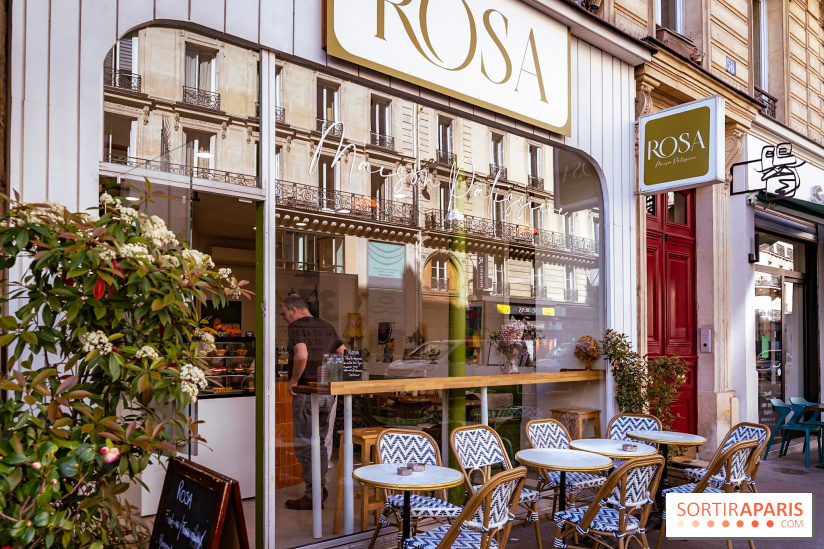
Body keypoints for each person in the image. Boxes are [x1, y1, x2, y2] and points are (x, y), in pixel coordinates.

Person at [281, 293, 345, 510]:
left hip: (307, 394)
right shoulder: (326, 325)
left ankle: (312, 496)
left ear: (293, 310)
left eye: (284, 314)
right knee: (319, 442)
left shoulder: (297, 326)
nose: (285, 318)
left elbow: (301, 355)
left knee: (305, 445)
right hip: (327, 394)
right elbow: (343, 352)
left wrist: (293, 381)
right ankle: (319, 488)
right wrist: (329, 379)